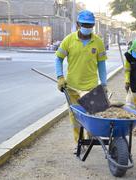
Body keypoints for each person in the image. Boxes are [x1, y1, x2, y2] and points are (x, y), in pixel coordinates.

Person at [55, 10, 107, 143]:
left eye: (90, 25)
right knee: (75, 116)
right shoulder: (69, 40)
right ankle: (78, 142)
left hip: (91, 87)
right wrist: (60, 77)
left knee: (94, 115)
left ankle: (91, 138)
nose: (87, 28)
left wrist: (104, 83)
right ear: (78, 24)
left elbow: (101, 64)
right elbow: (58, 58)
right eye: (84, 25)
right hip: (72, 87)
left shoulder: (98, 42)